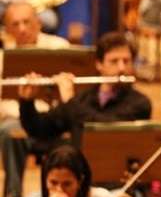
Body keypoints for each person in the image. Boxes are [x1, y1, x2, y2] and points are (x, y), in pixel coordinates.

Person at [18, 32, 152, 148]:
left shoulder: (140, 104)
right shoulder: (83, 98)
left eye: (126, 61)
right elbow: (39, 130)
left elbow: (105, 131)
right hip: (80, 174)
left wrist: (70, 101)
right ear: (99, 64)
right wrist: (27, 102)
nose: (122, 68)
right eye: (114, 61)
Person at [0, 2, 69, 197]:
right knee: (7, 132)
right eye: (15, 24)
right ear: (8, 30)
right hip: (20, 122)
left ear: (38, 23)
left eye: (26, 22)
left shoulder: (60, 47)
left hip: (56, 120)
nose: (22, 28)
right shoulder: (3, 58)